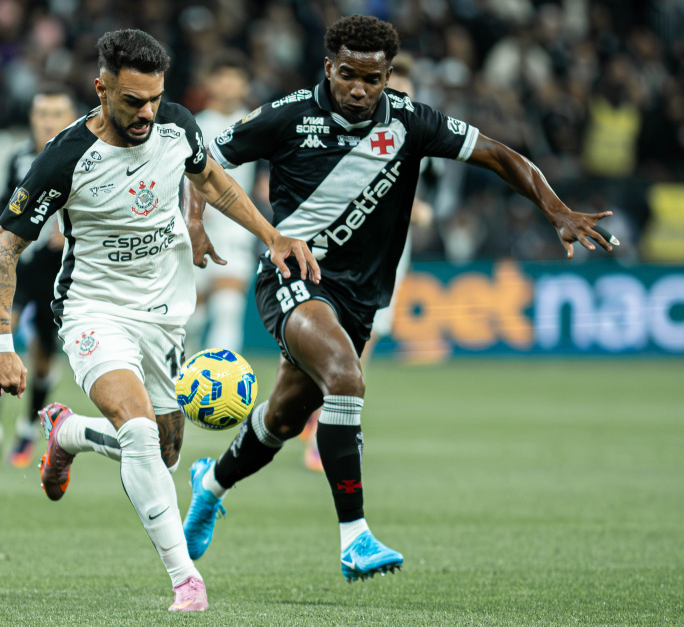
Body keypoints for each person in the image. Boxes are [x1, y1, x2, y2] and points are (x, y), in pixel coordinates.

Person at [183, 14, 617, 583]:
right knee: (345, 377)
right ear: (328, 68)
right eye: (347, 75)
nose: (358, 89)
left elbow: (499, 155)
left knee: (284, 417)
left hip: (362, 296)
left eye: (372, 79)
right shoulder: (288, 115)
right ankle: (354, 537)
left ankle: (211, 484)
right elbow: (202, 163)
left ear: (388, 76)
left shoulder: (412, 121)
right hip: (293, 274)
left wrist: (556, 210)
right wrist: (195, 222)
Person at [0, 29, 319, 612]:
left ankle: (69, 433)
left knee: (163, 454)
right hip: (93, 309)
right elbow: (3, 247)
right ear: (102, 89)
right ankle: (186, 580)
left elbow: (209, 179)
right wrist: (0, 343)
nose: (146, 113)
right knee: (137, 431)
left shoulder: (177, 126)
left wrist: (271, 236)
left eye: (155, 99)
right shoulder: (65, 157)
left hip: (164, 313)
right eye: (132, 101)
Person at [299, 53, 435, 473]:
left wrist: (415, 209)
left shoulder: (416, 132)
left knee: (358, 343)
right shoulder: (348, 129)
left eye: (408, 91)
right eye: (395, 90)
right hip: (338, 252)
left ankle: (317, 418)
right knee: (336, 342)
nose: (402, 98)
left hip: (387, 256)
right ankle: (323, 425)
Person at [0, 89, 77, 467]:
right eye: (41, 113)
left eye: (56, 113)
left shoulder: (85, 155)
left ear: (71, 118)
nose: (47, 121)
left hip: (58, 273)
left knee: (41, 360)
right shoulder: (19, 159)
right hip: (20, 267)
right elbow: (6, 204)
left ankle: (28, 428)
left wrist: (69, 230)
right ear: (31, 118)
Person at [183, 52, 261, 356]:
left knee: (228, 308)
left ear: (245, 85)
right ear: (209, 83)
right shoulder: (192, 125)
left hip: (236, 229)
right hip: (192, 226)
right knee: (192, 317)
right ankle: (184, 373)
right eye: (222, 78)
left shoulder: (256, 124)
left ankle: (220, 378)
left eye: (236, 79)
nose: (229, 85)